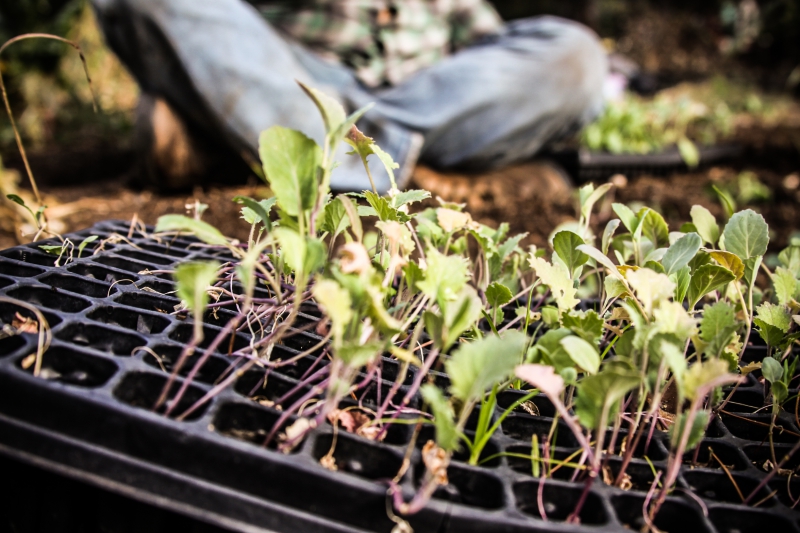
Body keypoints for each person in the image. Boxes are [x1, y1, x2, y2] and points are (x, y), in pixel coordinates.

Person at [90, 0, 608, 193]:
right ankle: (398, 165)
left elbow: (490, 54)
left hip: (425, 96)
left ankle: (245, 145)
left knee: (575, 54)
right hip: (298, 77)